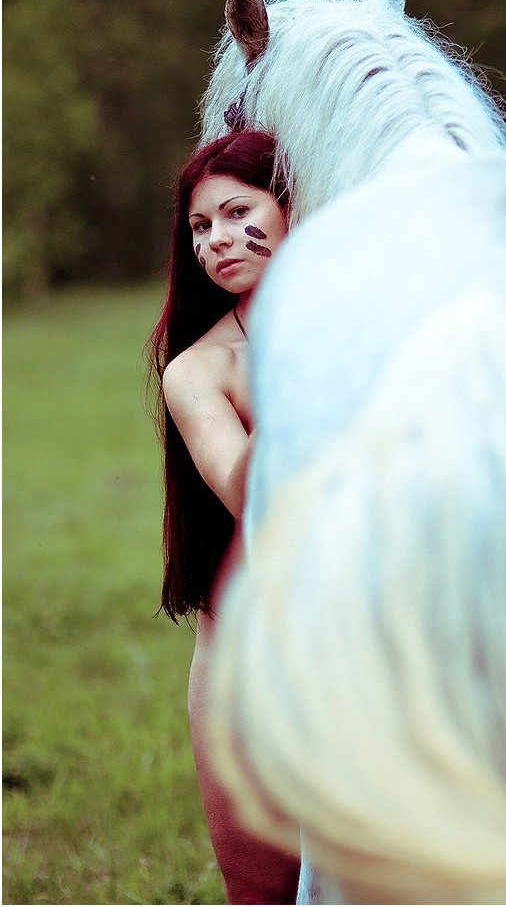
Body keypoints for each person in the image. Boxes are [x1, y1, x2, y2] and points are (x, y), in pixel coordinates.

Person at [147, 129, 300, 904]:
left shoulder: (370, 335)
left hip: (366, 646)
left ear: (292, 209)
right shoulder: (200, 369)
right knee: (263, 893)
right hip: (249, 670)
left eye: (239, 213)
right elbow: (247, 491)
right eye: (200, 227)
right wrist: (301, 370)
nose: (216, 240)